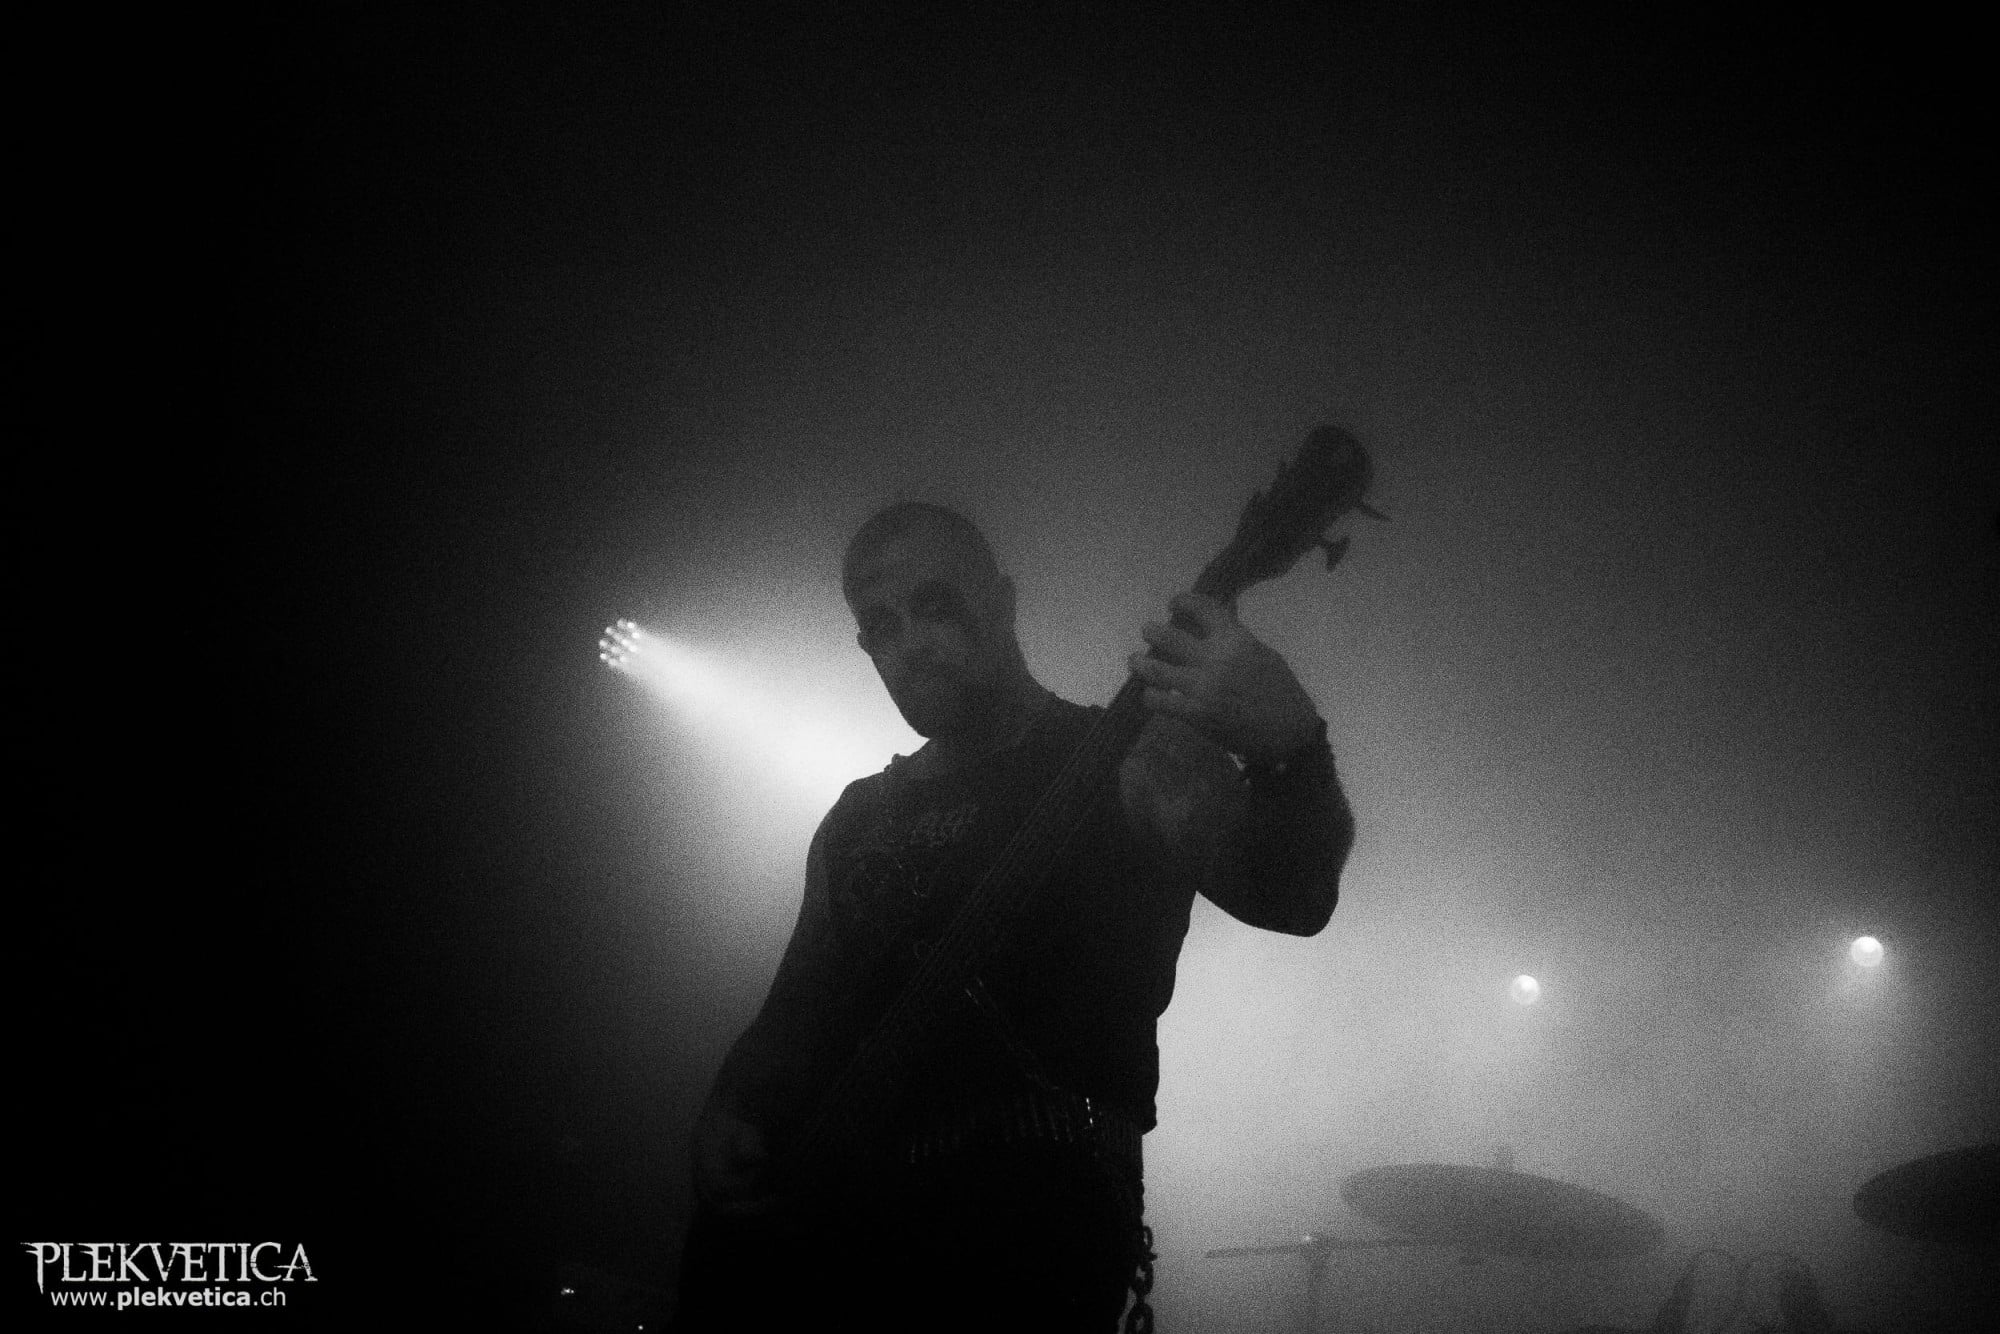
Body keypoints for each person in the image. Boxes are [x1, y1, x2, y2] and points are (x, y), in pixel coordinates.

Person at [673, 501, 1354, 1332]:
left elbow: (1296, 896)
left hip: (1029, 1242)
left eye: (934, 604)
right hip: (826, 1254)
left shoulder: (1138, 760)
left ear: (1003, 602)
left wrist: (1294, 748)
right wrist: (730, 1106)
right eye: (880, 625)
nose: (909, 642)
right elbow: (793, 1015)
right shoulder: (854, 821)